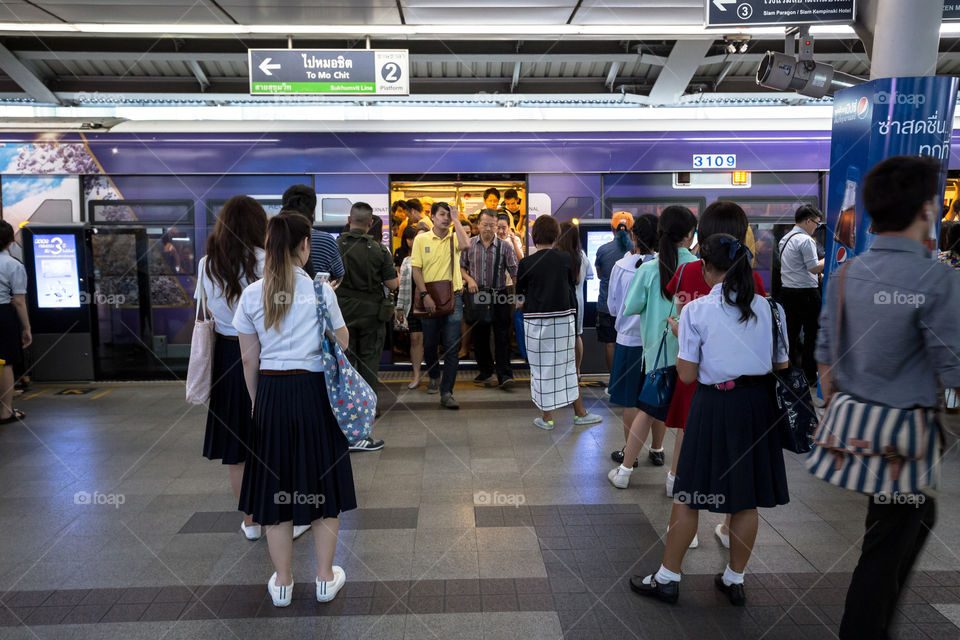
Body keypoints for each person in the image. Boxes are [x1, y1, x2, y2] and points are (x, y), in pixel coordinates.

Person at [815, 156, 960, 639]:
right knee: (886, 546)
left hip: (858, 430)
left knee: (907, 523)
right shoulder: (937, 279)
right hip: (904, 440)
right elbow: (952, 365)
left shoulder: (846, 273)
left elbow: (825, 357)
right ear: (926, 210)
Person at [631, 233, 790, 607]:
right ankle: (734, 579)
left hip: (713, 406)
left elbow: (686, 375)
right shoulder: (771, 309)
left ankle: (668, 578)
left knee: (689, 496)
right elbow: (781, 365)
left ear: (705, 268)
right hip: (756, 408)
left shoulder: (696, 312)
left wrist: (679, 332)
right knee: (745, 499)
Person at [235, 212, 357, 607]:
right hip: (314, 395)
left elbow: (249, 361)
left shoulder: (252, 295)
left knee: (276, 490)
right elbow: (342, 341)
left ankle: (283, 582)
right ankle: (324, 578)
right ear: (305, 245)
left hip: (271, 394)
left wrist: (257, 403)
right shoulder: (321, 292)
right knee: (324, 490)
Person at [196, 196, 305, 541]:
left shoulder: (206, 264)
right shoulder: (265, 260)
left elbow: (206, 310)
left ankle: (252, 520)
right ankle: (288, 514)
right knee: (276, 443)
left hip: (228, 358)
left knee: (237, 451)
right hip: (269, 355)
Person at [663, 201, 769, 548]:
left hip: (696, 375)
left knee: (686, 441)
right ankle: (727, 528)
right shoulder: (751, 280)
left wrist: (685, 336)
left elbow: (681, 310)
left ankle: (684, 534)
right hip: (742, 389)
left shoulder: (691, 270)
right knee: (739, 469)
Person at [610, 206, 697, 488]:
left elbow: (630, 307)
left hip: (656, 359)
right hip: (690, 359)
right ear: (689, 235)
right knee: (684, 422)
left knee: (646, 413)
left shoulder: (647, 269)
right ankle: (674, 480)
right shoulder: (698, 267)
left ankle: (624, 473)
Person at [516, 216, 602, 430]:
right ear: (556, 236)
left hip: (535, 322)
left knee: (541, 368)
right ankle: (580, 413)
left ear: (534, 237)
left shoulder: (526, 263)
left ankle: (547, 419)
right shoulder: (565, 259)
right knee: (568, 367)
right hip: (564, 320)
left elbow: (519, 299)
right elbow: (574, 282)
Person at [336, 202, 398, 451]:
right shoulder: (379, 250)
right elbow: (392, 284)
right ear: (371, 222)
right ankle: (367, 415)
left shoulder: (335, 246)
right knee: (369, 366)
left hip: (342, 317)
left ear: (349, 218)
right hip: (372, 316)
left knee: (345, 367)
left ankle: (345, 413)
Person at [606, 213, 658, 470]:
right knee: (657, 395)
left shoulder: (621, 266)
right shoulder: (665, 264)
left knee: (629, 400)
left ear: (634, 236)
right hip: (658, 343)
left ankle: (631, 453)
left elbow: (614, 307)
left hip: (628, 341)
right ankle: (657, 450)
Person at [411, 201, 470, 409]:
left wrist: (456, 219)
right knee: (429, 344)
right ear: (432, 217)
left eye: (448, 215)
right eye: (443, 214)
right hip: (429, 298)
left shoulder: (455, 237)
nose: (446, 218)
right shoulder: (421, 239)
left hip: (453, 297)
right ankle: (434, 374)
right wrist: (425, 294)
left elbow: (466, 246)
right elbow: (416, 269)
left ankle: (447, 393)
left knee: (452, 346)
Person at [461, 208, 519, 388]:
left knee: (502, 335)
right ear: (478, 225)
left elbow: (514, 272)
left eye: (492, 225)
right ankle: (485, 371)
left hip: (500, 294)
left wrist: (517, 297)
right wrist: (469, 279)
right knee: (480, 336)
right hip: (479, 294)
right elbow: (461, 267)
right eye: (484, 224)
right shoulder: (469, 244)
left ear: (497, 226)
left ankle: (504, 375)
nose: (488, 228)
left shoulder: (505, 246)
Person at [777, 204, 824, 384]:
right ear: (807, 220)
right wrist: (827, 260)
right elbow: (813, 268)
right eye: (817, 224)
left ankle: (787, 372)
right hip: (807, 294)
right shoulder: (805, 240)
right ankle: (809, 376)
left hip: (787, 293)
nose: (816, 228)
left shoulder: (785, 239)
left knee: (789, 334)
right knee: (813, 334)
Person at [595, 212, 634, 377]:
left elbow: (599, 274)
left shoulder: (603, 249)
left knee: (610, 343)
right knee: (630, 342)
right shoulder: (635, 249)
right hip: (631, 305)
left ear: (612, 228)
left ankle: (614, 381)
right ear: (632, 229)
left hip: (606, 305)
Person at [282, 184, 345, 284]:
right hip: (319, 298)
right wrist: (327, 290)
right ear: (313, 212)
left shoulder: (273, 239)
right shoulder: (327, 240)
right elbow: (338, 276)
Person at [0, 220, 30, 425]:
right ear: (10, 240)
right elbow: (19, 301)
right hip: (2, 313)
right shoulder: (13, 265)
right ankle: (5, 412)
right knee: (4, 363)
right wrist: (26, 327)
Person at [556, 222, 594, 379]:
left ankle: (565, 370)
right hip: (578, 301)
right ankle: (577, 370)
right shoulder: (582, 255)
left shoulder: (559, 256)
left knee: (563, 336)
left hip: (563, 301)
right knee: (577, 335)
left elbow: (574, 280)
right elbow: (588, 277)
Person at [396, 228, 428, 390]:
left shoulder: (434, 258)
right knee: (415, 339)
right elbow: (402, 286)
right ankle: (416, 375)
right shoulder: (407, 261)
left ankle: (434, 374)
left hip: (431, 304)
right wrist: (399, 307)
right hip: (413, 304)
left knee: (431, 341)